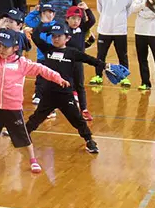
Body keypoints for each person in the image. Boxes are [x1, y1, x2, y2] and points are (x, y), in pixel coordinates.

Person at [0, 28, 67, 170]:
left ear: (16, 48)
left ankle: (33, 160)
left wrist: (58, 78)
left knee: (23, 136)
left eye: (6, 47)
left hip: (13, 108)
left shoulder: (23, 63)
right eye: (0, 45)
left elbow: (42, 69)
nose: (2, 50)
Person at [29, 23, 108, 153]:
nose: (55, 39)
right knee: (37, 117)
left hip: (65, 95)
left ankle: (89, 140)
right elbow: (36, 35)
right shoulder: (47, 49)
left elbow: (89, 59)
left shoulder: (72, 53)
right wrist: (46, 26)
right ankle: (23, 135)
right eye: (53, 36)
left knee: (78, 119)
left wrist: (105, 66)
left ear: (67, 38)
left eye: (59, 36)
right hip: (49, 94)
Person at [91, 0, 133, 87]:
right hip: (104, 29)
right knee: (100, 55)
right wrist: (107, 18)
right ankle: (98, 75)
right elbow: (100, 8)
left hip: (120, 30)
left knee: (122, 55)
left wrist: (120, 20)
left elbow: (129, 10)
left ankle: (124, 77)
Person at [65, 4, 96, 120]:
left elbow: (92, 20)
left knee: (80, 86)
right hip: (65, 62)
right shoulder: (64, 30)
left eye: (78, 19)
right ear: (67, 19)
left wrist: (87, 9)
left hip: (78, 62)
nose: (75, 21)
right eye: (73, 18)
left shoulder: (82, 29)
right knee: (63, 84)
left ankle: (84, 109)